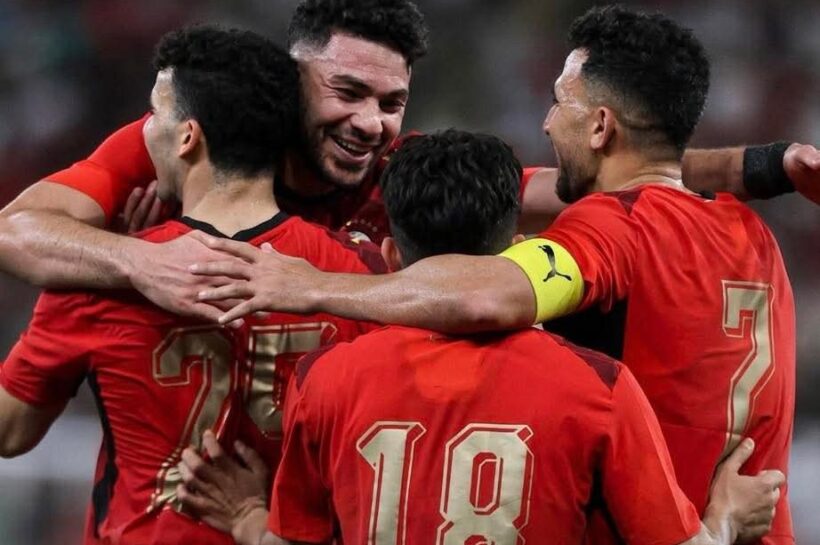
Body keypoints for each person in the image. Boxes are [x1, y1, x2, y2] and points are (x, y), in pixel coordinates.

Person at [192, 6, 798, 545]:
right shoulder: (752, 233)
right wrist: (768, 164)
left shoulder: (611, 233)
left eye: (559, 102)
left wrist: (310, 285)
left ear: (600, 127)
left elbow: (489, 295)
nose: (546, 123)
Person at [0, 0, 816, 322]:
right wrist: (143, 263)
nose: (370, 122)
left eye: (391, 101)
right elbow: (18, 229)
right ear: (292, 79)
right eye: (347, 91)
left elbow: (603, 180)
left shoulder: (407, 168)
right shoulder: (199, 141)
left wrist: (771, 164)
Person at [0, 26, 381, 545]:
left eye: (155, 114)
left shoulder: (95, 279)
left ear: (187, 137)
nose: (146, 130)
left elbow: (10, 431)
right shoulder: (357, 279)